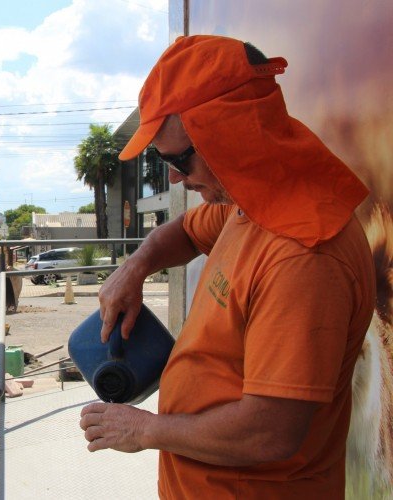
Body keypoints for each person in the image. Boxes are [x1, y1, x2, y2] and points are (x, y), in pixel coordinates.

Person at [78, 35, 375, 499]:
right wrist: (134, 269)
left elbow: (269, 432)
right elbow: (183, 232)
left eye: (177, 159)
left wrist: (145, 430)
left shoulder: (303, 256)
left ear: (232, 134)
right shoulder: (254, 198)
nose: (174, 177)